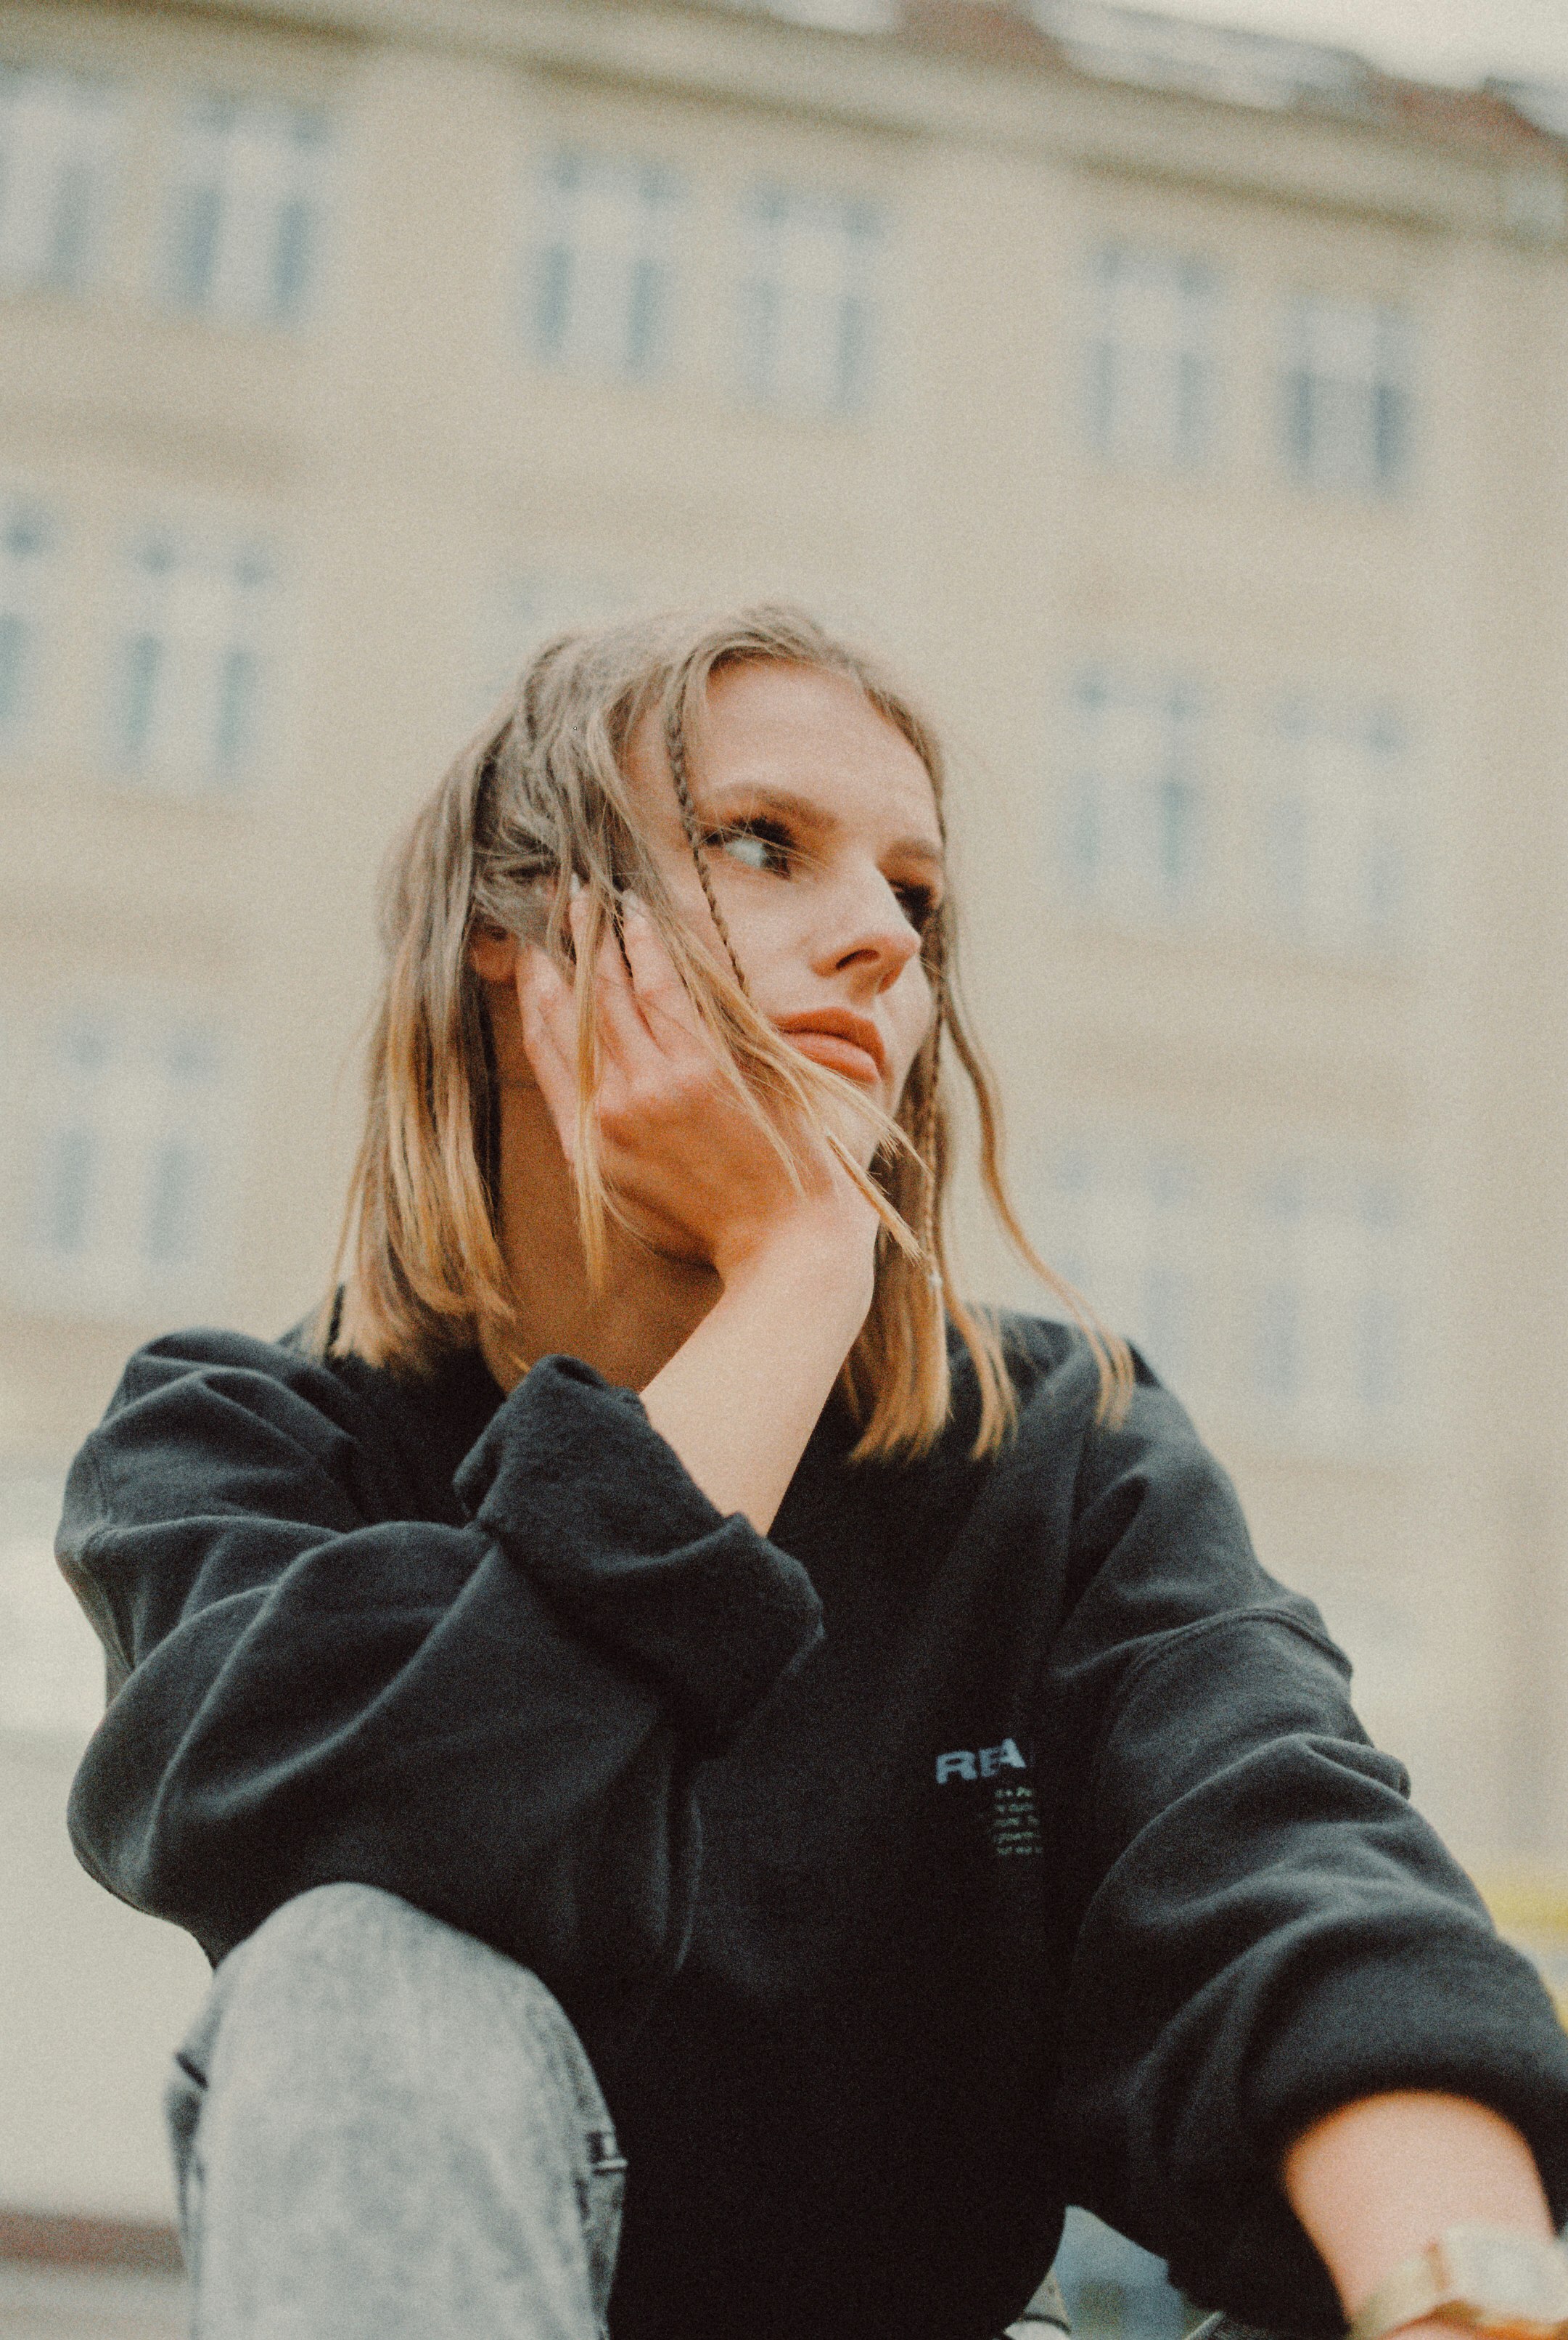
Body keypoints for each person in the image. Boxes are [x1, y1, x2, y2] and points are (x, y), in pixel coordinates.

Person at [57, 607, 1568, 2340]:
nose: (877, 942)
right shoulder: (237, 1450)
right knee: (352, 1968)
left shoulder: (1057, 1443)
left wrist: (1470, 2294)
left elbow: (1285, 1871)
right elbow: (420, 1850)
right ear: (514, 928)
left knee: (1417, 2210)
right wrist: (790, 1274)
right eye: (763, 845)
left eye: (915, 899)